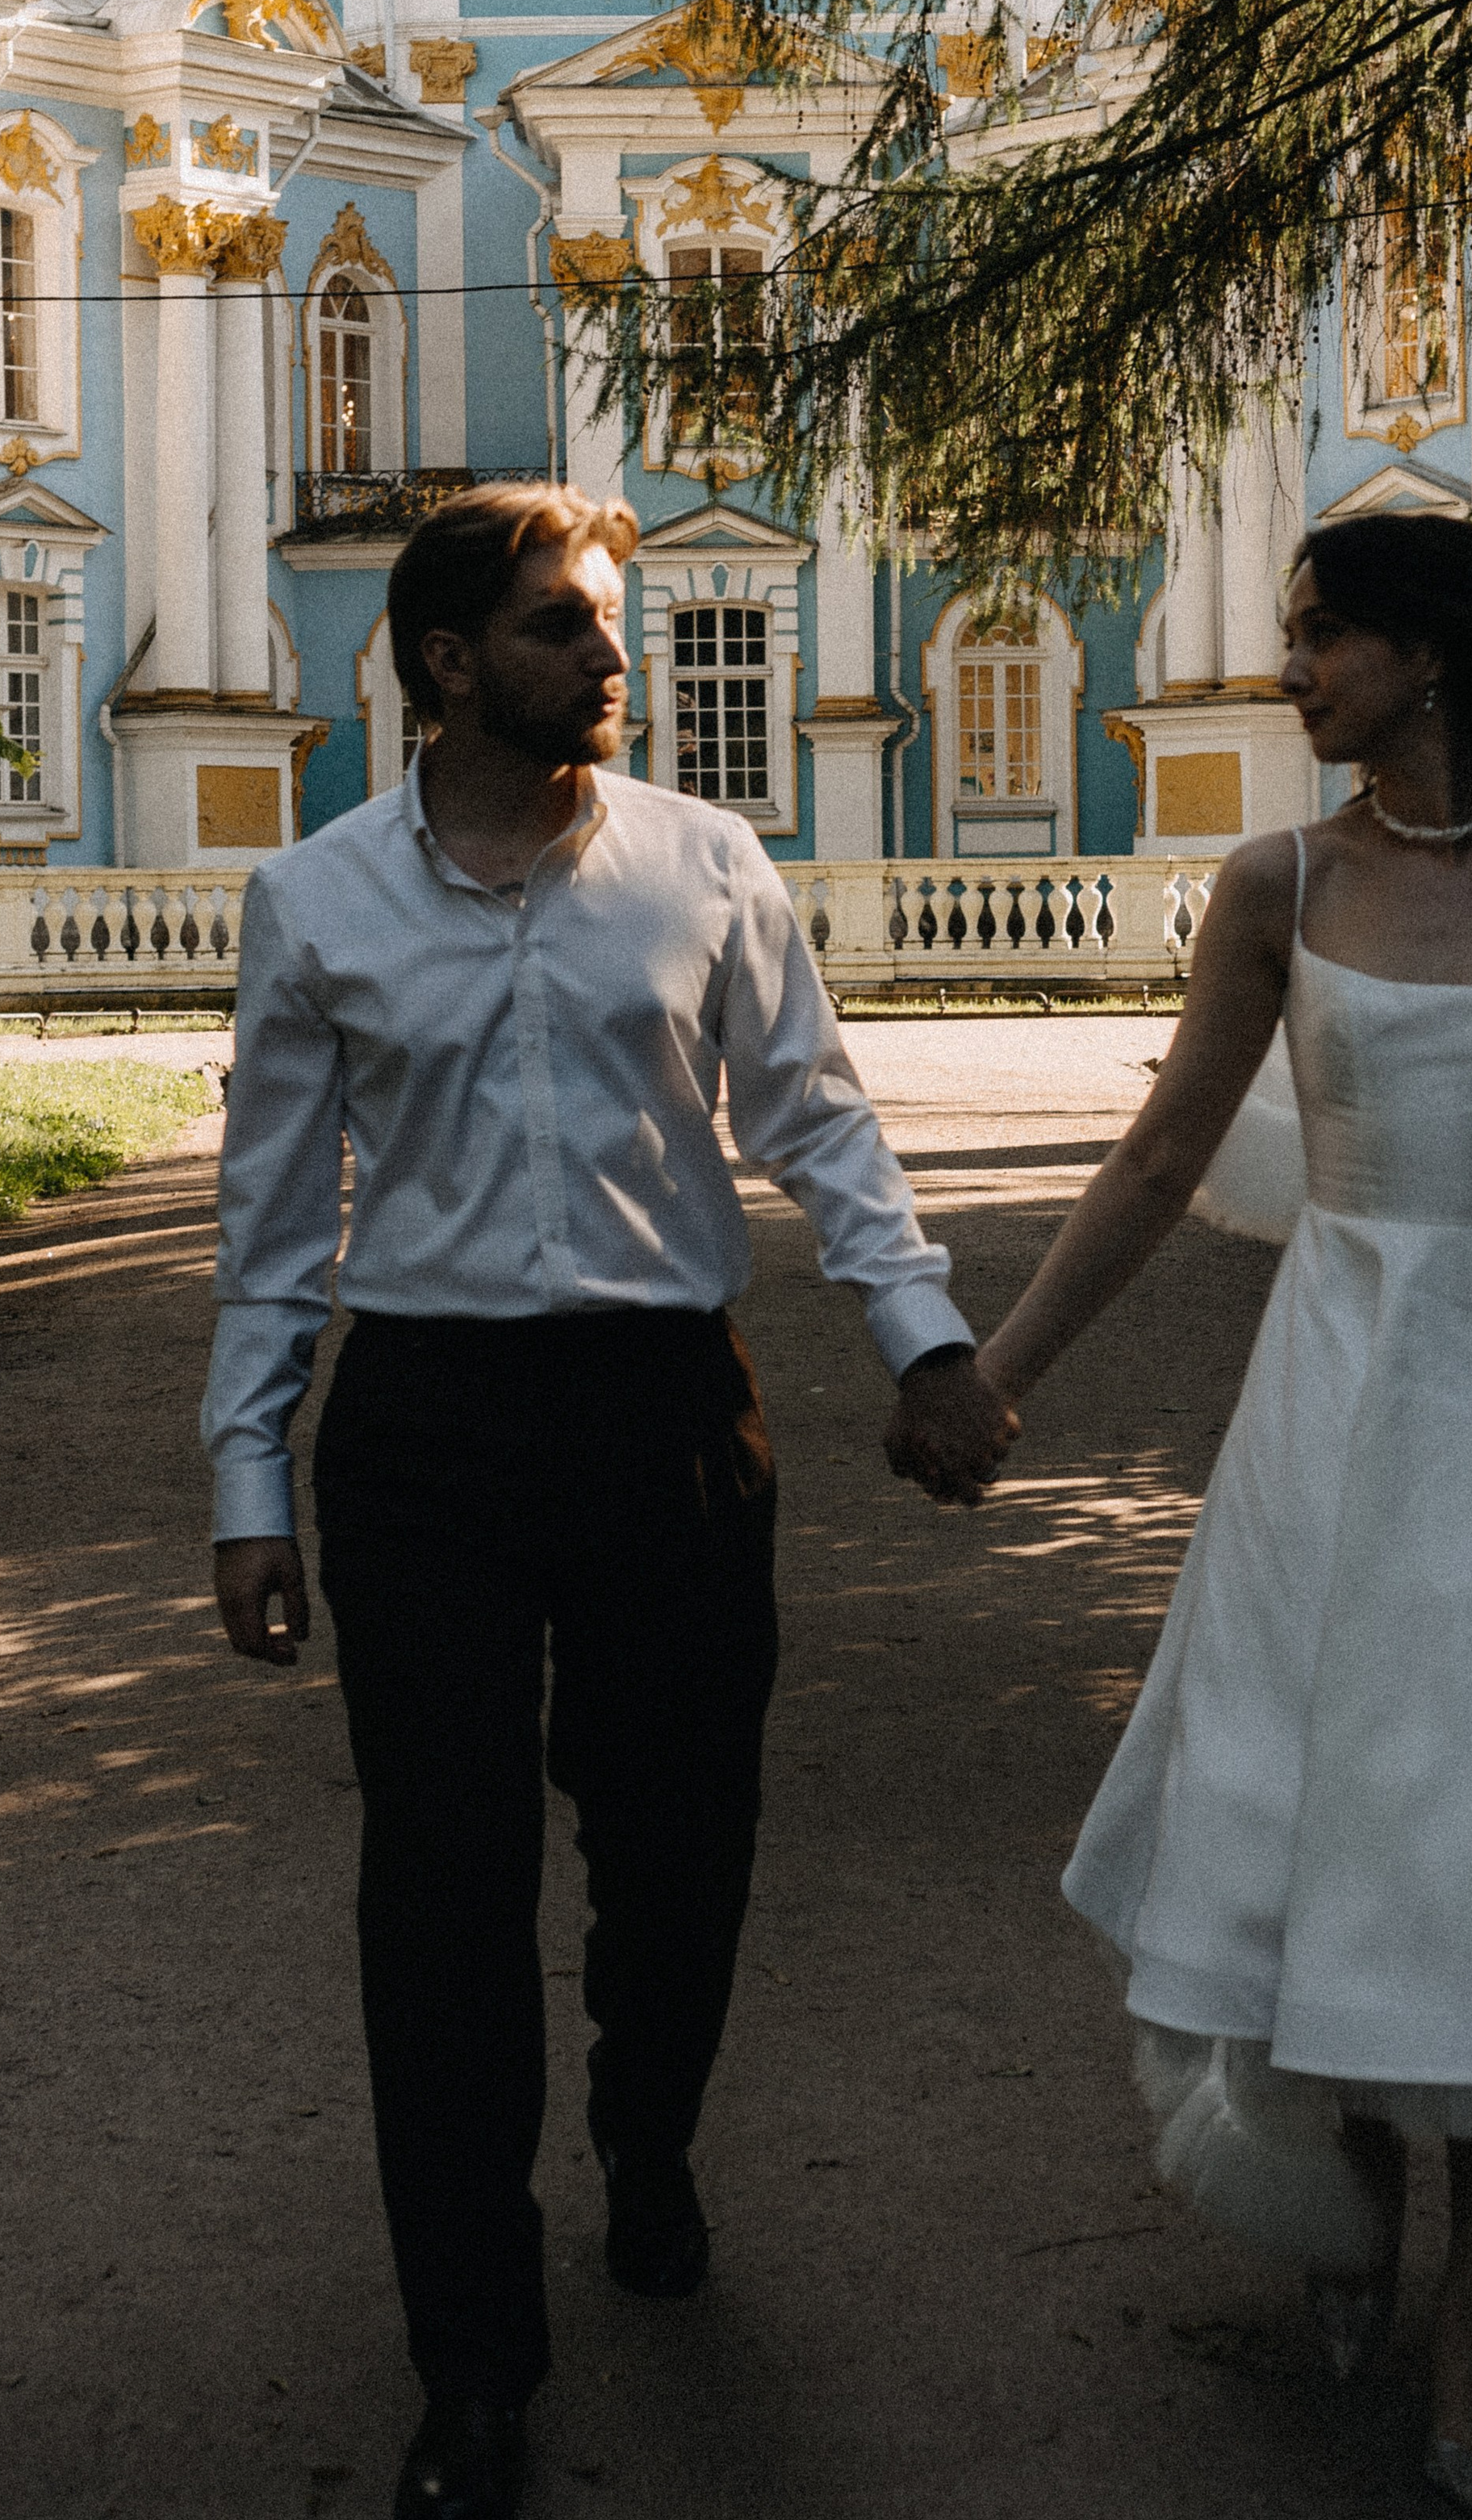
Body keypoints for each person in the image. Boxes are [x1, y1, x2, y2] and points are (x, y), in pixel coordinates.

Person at [892, 512, 1472, 2516]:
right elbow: (1154, 1156)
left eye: (1316, 637)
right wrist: (991, 1372)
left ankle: (1468, 2312)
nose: (1284, 670)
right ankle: (1348, 2192)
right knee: (1313, 1822)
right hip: (1338, 1402)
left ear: (1427, 656)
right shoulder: (1274, 882)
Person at [203, 481, 1014, 2520]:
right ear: (452, 659)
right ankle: (472, 2363)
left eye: (608, 624)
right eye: (566, 626)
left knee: (681, 1852)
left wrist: (921, 1342)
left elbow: (815, 1116)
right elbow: (275, 1218)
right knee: (440, 1892)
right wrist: (248, 1483)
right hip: (432, 1437)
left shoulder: (704, 861)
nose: (608, 657)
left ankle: (645, 2135)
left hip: (670, 1414)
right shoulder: (316, 903)